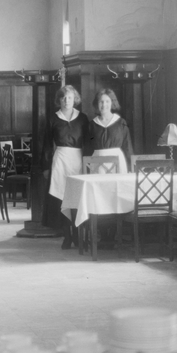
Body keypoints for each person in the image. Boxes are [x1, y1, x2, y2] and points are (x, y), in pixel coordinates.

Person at [42, 85, 89, 249]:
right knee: (61, 199)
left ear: (75, 99)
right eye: (63, 98)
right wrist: (46, 166)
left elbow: (88, 142)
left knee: (76, 198)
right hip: (60, 162)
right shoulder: (53, 119)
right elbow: (47, 144)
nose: (66, 100)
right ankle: (67, 236)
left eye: (69, 97)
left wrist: (88, 163)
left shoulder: (82, 118)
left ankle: (77, 234)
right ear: (59, 100)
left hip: (78, 161)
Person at [86, 88, 134, 249]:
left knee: (114, 198)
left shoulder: (121, 123)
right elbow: (87, 148)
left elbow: (127, 147)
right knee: (100, 198)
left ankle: (112, 235)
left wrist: (130, 167)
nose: (104, 105)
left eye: (107, 101)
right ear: (97, 104)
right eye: (101, 102)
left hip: (118, 164)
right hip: (97, 164)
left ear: (112, 103)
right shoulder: (92, 125)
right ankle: (103, 236)